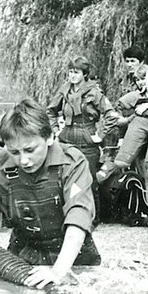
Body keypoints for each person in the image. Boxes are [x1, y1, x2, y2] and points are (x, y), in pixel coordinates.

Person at [0, 98, 100, 287]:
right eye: (15, 152)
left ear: (50, 137)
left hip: (74, 259)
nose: (24, 160)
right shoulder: (0, 164)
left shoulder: (72, 163)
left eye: (30, 150)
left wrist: (59, 271)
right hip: (22, 257)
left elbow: (78, 216)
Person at [97, 53, 148, 213]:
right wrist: (128, 120)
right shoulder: (136, 96)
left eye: (144, 79)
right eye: (139, 80)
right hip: (141, 147)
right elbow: (116, 110)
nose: (142, 83)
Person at [46, 55, 117, 221]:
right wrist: (55, 130)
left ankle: (94, 217)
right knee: (63, 176)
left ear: (85, 74)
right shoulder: (64, 91)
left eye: (76, 72)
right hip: (67, 136)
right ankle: (67, 215)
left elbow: (111, 115)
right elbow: (50, 111)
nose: (72, 76)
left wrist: (100, 135)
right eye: (70, 72)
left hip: (87, 137)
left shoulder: (94, 92)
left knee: (89, 179)